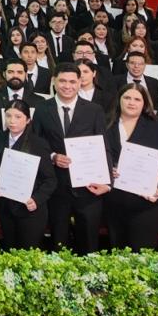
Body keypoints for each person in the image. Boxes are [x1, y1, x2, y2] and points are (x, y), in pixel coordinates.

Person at [31, 63, 108, 254]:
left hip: (88, 188)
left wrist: (107, 181)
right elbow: (35, 144)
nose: (67, 86)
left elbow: (104, 148)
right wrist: (52, 156)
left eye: (73, 81)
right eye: (63, 81)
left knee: (89, 245)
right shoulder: (41, 109)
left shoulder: (95, 110)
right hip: (56, 188)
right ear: (54, 82)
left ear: (80, 82)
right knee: (59, 243)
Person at [104, 84, 158, 250]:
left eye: (137, 99)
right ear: (119, 100)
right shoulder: (105, 124)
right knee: (117, 253)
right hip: (114, 201)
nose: (132, 102)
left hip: (148, 204)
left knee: (142, 253)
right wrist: (106, 170)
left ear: (145, 103)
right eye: (127, 98)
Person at [0, 100, 56, 249]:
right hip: (6, 208)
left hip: (30, 210)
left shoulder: (38, 143)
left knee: (28, 255)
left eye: (18, 117)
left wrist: (36, 199)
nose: (12, 121)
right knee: (8, 252)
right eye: (8, 116)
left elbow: (50, 180)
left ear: (28, 120)